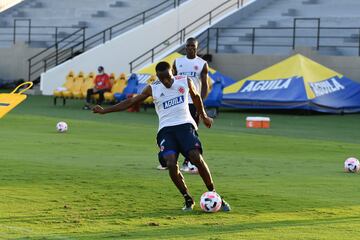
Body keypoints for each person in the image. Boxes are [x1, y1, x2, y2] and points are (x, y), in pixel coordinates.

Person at [92, 61, 231, 211]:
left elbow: (196, 97)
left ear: (172, 73)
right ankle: (187, 198)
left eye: (168, 77)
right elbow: (131, 101)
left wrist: (204, 116)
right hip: (166, 130)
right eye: (162, 78)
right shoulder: (153, 88)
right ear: (157, 76)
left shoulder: (184, 81)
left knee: (196, 157)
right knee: (171, 163)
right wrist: (104, 111)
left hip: (185, 126)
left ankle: (214, 193)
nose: (166, 82)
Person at [171, 37, 209, 172]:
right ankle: (173, 160)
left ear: (197, 48)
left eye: (193, 46)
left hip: (193, 102)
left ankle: (191, 161)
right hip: (179, 102)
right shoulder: (177, 62)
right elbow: (172, 82)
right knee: (177, 130)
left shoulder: (202, 64)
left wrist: (201, 103)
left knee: (191, 130)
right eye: (188, 46)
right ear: (185, 47)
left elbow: (205, 85)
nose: (191, 48)